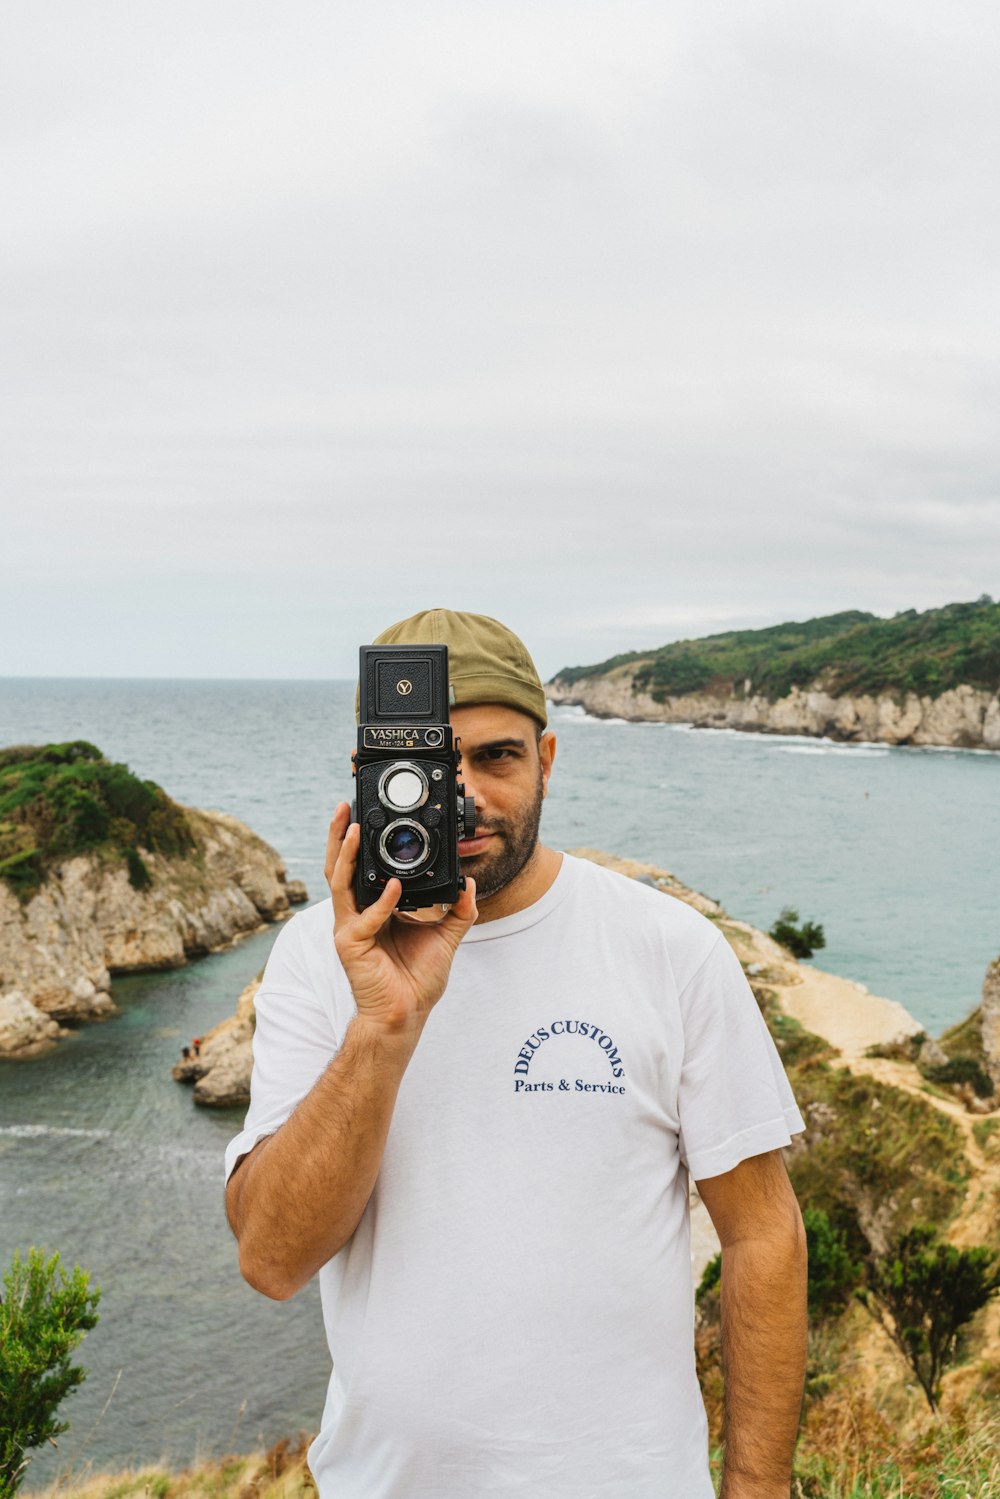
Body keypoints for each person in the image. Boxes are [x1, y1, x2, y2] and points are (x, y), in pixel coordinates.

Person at [224, 609, 808, 1499]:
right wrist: (382, 1029)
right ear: (368, 778)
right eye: (424, 769)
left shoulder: (668, 947)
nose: (463, 797)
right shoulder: (314, 957)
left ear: (547, 758)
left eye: (496, 757)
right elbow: (272, 1259)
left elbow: (764, 1235)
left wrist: (755, 1491)